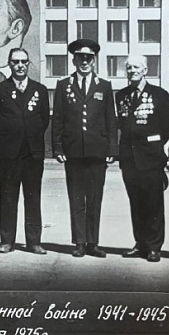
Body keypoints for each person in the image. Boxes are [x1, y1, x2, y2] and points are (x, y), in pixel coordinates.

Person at [51, 39, 118, 258]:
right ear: (74, 60)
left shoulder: (104, 85)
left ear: (94, 61)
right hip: (73, 152)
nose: (84, 62)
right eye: (80, 58)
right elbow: (58, 118)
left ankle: (93, 242)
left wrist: (112, 149)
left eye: (88, 58)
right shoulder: (63, 85)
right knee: (77, 198)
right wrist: (58, 148)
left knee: (95, 199)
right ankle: (79, 242)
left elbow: (111, 119)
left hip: (98, 152)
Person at [0, 48, 49, 254]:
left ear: (29, 63)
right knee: (8, 197)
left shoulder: (40, 90)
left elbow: (43, 120)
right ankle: (7, 240)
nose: (20, 65)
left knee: (33, 198)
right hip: (9, 153)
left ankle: (34, 242)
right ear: (9, 64)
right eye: (15, 62)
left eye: (24, 61)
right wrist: (10, 137)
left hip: (32, 153)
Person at [115, 55, 169, 263]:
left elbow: (167, 125)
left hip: (151, 158)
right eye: (129, 68)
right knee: (136, 203)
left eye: (136, 67)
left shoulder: (159, 95)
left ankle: (154, 246)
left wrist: (153, 145)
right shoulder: (121, 95)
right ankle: (140, 243)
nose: (132, 71)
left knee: (153, 204)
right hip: (129, 159)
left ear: (145, 70)